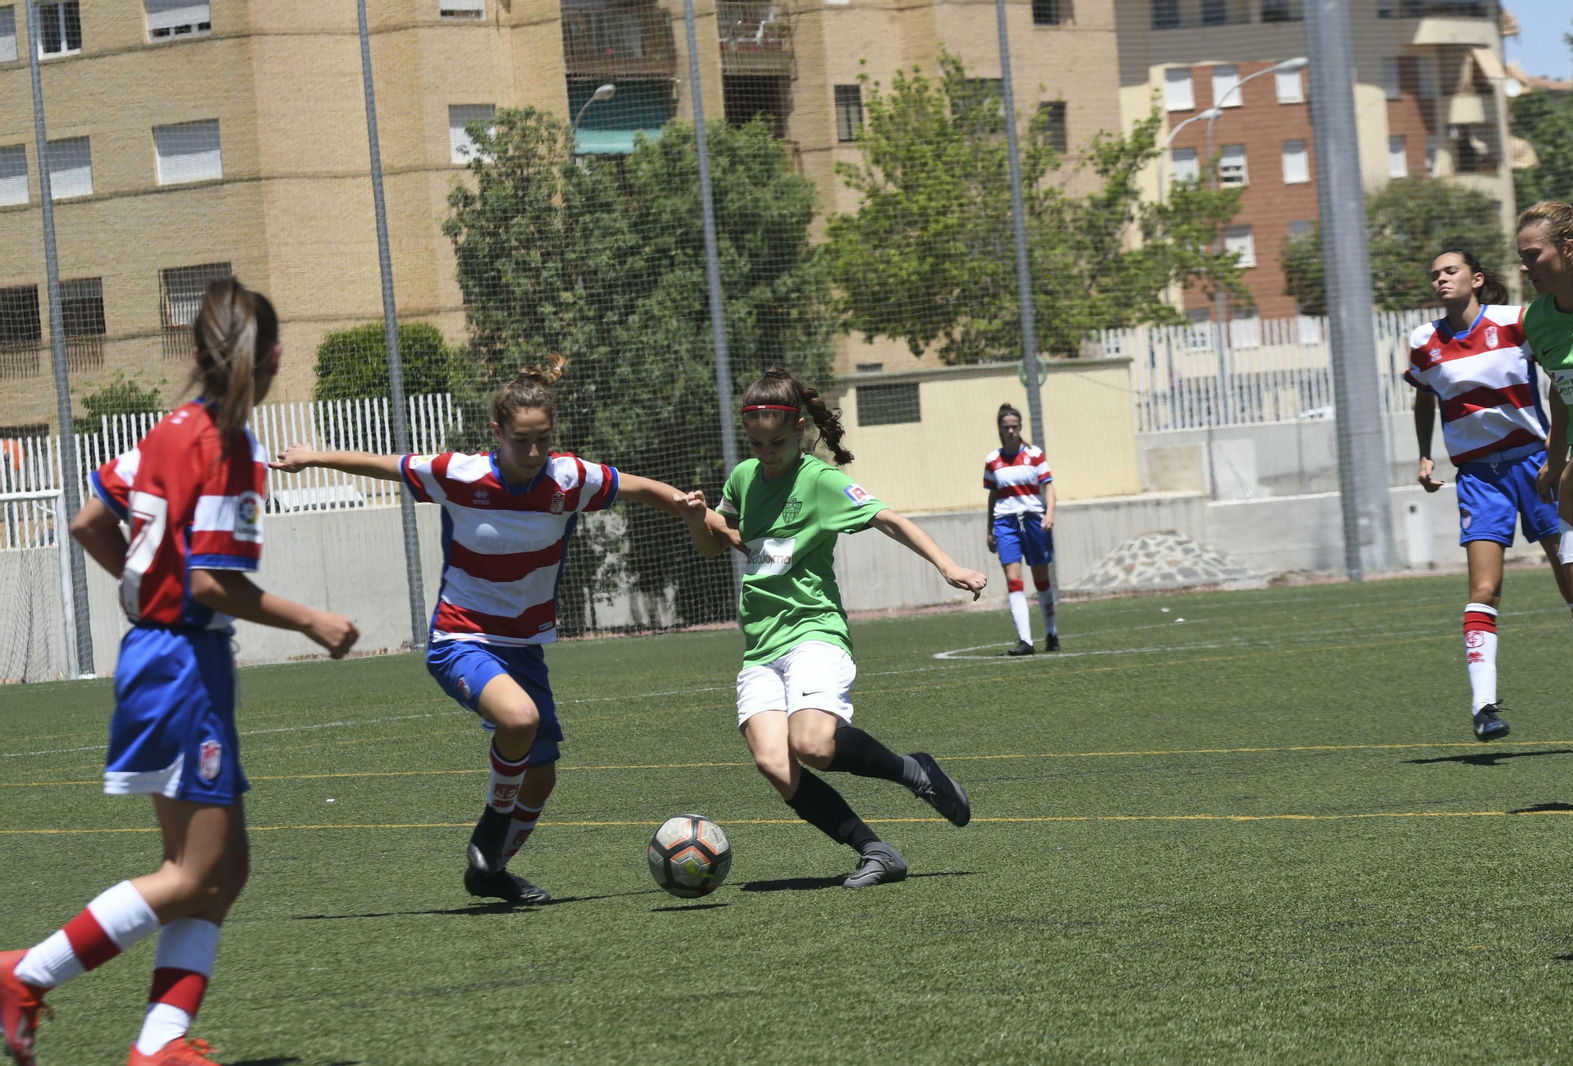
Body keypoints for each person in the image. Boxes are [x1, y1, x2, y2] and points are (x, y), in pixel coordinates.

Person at [0, 280, 360, 1066]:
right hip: (181, 664)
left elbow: (90, 519)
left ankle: (158, 1045)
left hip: (166, 655)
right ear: (267, 360)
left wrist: (141, 588)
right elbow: (208, 582)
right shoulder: (230, 449)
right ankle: (25, 974)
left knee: (225, 869)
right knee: (194, 871)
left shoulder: (167, 431)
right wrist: (311, 619)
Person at [271, 358, 687, 906]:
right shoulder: (461, 474)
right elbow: (386, 464)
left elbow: (642, 489)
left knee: (540, 780)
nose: (534, 453)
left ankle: (489, 872)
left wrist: (689, 507)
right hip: (460, 641)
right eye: (521, 441)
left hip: (526, 649)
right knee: (519, 719)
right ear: (497, 433)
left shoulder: (569, 479)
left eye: (543, 440)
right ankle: (488, 837)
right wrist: (313, 456)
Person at [674, 367, 987, 888]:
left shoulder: (821, 481)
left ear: (799, 431)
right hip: (760, 648)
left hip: (813, 633)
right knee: (776, 764)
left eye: (777, 442)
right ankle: (875, 851)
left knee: (814, 744)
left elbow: (889, 519)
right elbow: (720, 541)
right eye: (757, 443)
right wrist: (694, 519)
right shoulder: (743, 479)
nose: (766, 452)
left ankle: (916, 772)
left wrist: (947, 565)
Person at [1406, 247, 1571, 741]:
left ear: (1477, 279)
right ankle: (1484, 707)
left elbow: (1558, 378)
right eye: (1434, 274)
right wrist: (1423, 453)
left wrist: (1559, 443)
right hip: (1478, 477)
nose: (1440, 279)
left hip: (1536, 467)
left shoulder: (1517, 321)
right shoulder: (1424, 341)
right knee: (1483, 590)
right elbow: (1424, 398)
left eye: (1450, 271)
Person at [1521, 201, 1573, 691]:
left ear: (1569, 248)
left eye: (1533, 256)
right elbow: (1561, 383)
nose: (1524, 267)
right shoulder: (1538, 319)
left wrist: (1568, 480)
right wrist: (1555, 458)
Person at [984, 404, 1058, 655]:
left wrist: (1049, 513)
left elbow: (1048, 487)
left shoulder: (1035, 454)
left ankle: (1051, 633)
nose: (1011, 431)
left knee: (1041, 580)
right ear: (1000, 430)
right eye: (1006, 427)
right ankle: (1026, 640)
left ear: (1020, 427)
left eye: (1015, 426)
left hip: (1034, 520)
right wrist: (990, 528)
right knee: (1013, 580)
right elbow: (993, 496)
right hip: (1005, 522)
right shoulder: (993, 460)